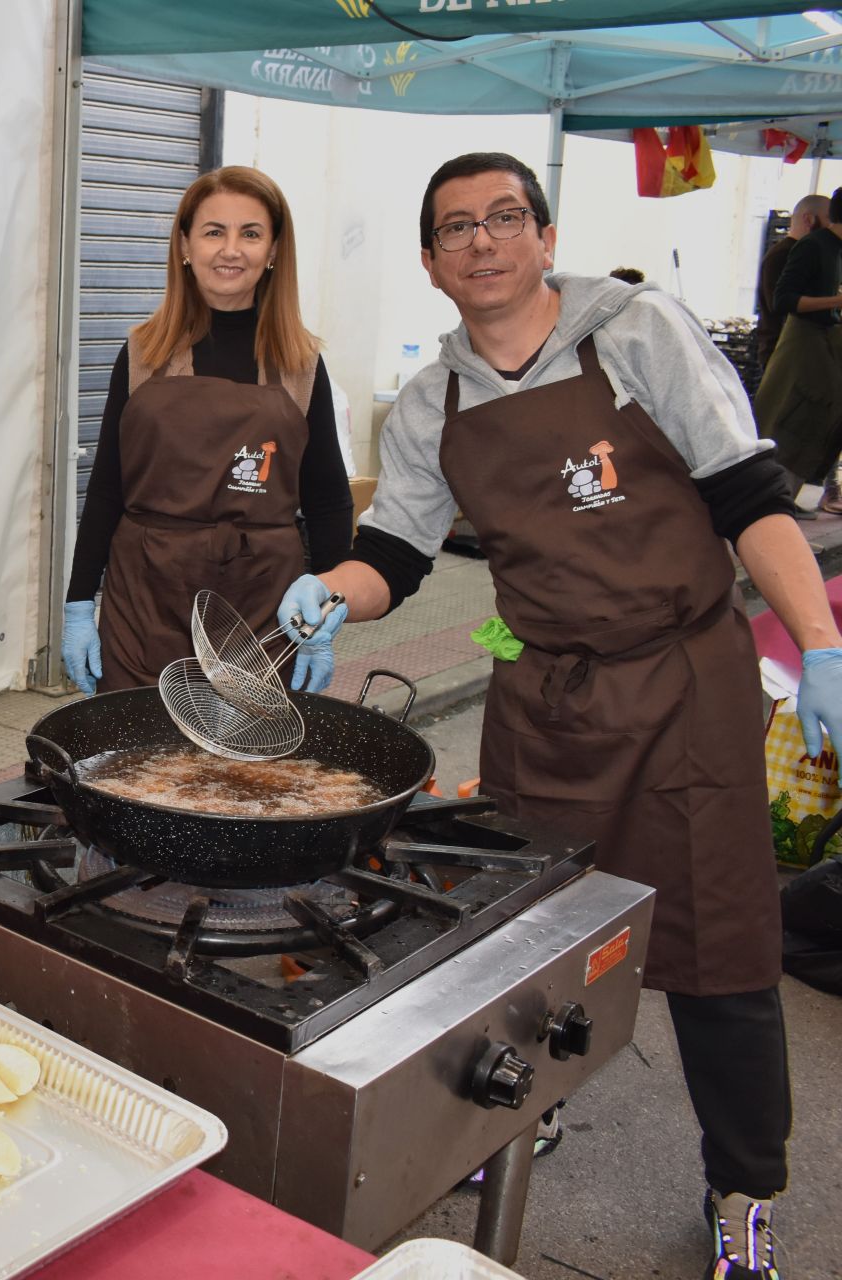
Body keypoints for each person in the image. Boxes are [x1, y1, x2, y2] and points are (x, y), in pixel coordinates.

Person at [276, 151, 842, 1280]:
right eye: (456, 228)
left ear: (542, 235)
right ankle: (519, 1111)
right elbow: (399, 550)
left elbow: (748, 495)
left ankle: (743, 1187)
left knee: (721, 949)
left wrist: (822, 642)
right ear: (433, 263)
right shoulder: (433, 395)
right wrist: (331, 593)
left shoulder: (636, 334)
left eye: (504, 218)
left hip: (684, 682)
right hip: (545, 702)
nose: (482, 242)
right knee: (526, 941)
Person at [60, 166, 352, 697]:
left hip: (265, 611)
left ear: (274, 252)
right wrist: (79, 603)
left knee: (248, 772)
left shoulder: (302, 365)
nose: (230, 249)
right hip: (144, 602)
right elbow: (106, 488)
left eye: (251, 233)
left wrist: (323, 615)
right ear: (186, 246)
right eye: (214, 231)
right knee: (133, 762)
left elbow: (330, 501)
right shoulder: (144, 353)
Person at [757, 187, 842, 508]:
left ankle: (786, 508)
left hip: (822, 355)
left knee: (814, 435)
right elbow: (784, 301)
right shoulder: (810, 247)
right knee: (787, 438)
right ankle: (771, 513)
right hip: (797, 355)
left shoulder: (832, 249)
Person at [754, 193, 830, 371]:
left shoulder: (805, 254)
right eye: (829, 219)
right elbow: (780, 305)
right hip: (783, 355)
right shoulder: (783, 255)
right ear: (809, 219)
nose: (833, 226)